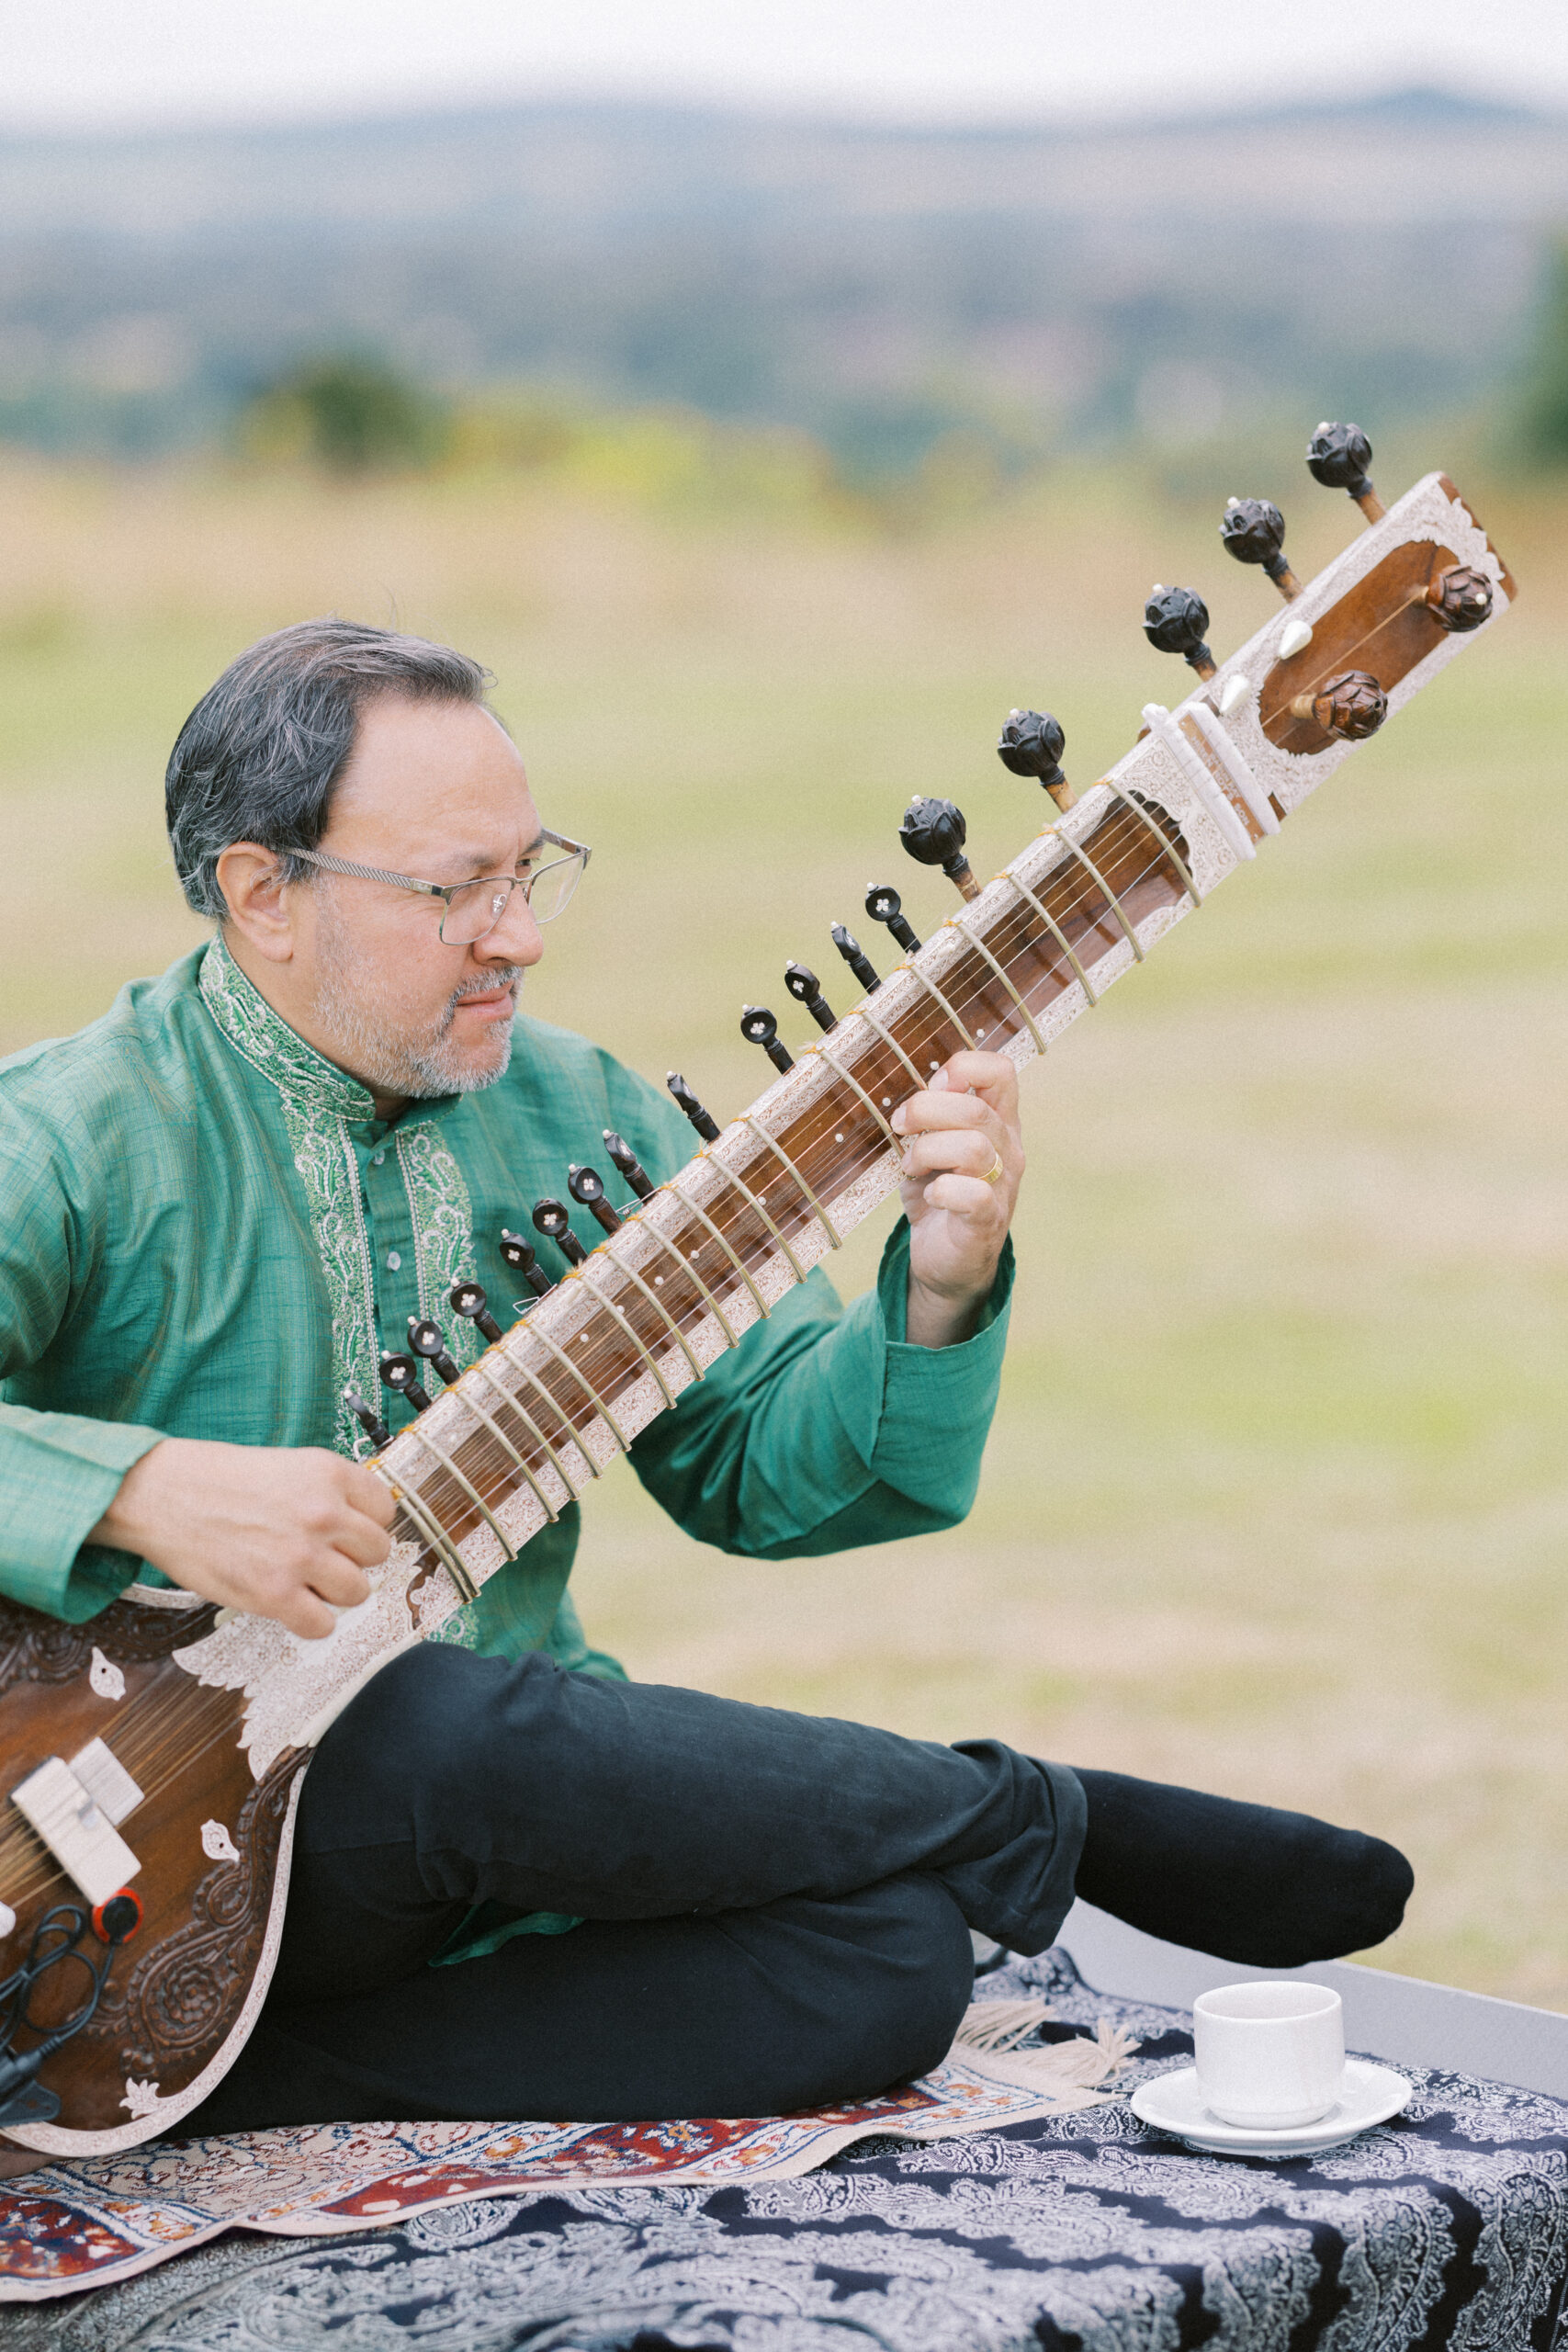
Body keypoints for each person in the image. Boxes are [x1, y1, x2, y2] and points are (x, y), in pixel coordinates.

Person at [0, 621, 1411, 2141]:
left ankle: (206, 2089)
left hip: (503, 1843)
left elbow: (760, 1472)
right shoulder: (78, 1138)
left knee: (893, 1957)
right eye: (452, 890)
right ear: (262, 893)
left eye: (528, 872)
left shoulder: (579, 1114)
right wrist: (136, 1492)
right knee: (421, 1724)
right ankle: (1029, 1812)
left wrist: (941, 1282)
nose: (519, 935)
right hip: (132, 1854)